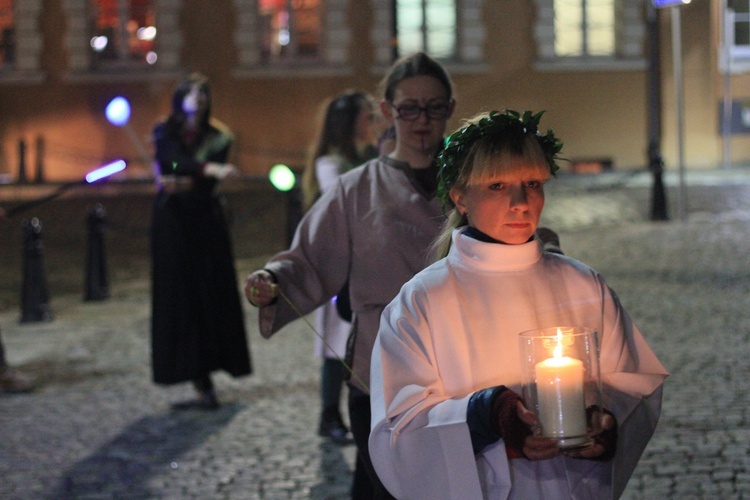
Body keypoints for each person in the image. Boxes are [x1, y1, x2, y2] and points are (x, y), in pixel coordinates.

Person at [368, 109, 669, 498]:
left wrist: (604, 423)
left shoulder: (583, 285)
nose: (520, 202)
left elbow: (631, 382)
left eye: (531, 183)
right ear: (460, 197)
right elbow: (400, 428)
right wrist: (485, 413)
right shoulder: (422, 301)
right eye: (496, 186)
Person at [244, 52, 457, 498]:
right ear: (387, 112)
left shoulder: (471, 182)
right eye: (409, 108)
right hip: (379, 372)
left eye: (434, 107)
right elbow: (309, 258)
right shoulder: (356, 189)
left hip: (461, 370)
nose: (422, 120)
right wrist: (273, 281)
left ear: (449, 109)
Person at [151, 72, 251, 410]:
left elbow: (185, 179)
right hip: (173, 225)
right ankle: (195, 376)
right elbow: (171, 160)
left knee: (210, 295)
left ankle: (209, 373)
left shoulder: (219, 136)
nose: (200, 97)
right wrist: (205, 170)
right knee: (179, 297)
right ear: (180, 96)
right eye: (193, 92)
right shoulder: (165, 130)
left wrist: (187, 180)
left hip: (205, 223)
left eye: (204, 92)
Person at [300, 90, 378, 444]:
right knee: (335, 346)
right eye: (366, 117)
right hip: (339, 266)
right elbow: (344, 200)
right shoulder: (331, 163)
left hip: (365, 261)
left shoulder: (368, 155)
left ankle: (359, 412)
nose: (371, 123)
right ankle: (329, 414)